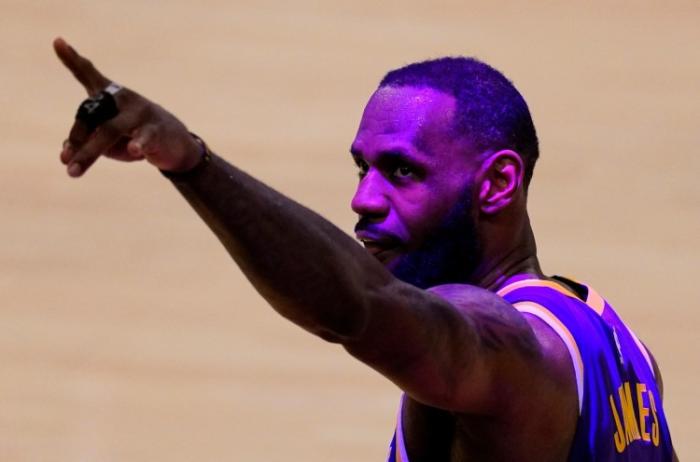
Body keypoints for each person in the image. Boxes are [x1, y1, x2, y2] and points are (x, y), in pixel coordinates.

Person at [53, 37, 677, 461]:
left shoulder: (509, 348)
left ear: (497, 183)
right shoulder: (626, 354)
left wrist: (190, 162)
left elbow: (359, 306)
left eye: (402, 172)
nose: (364, 200)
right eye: (362, 169)